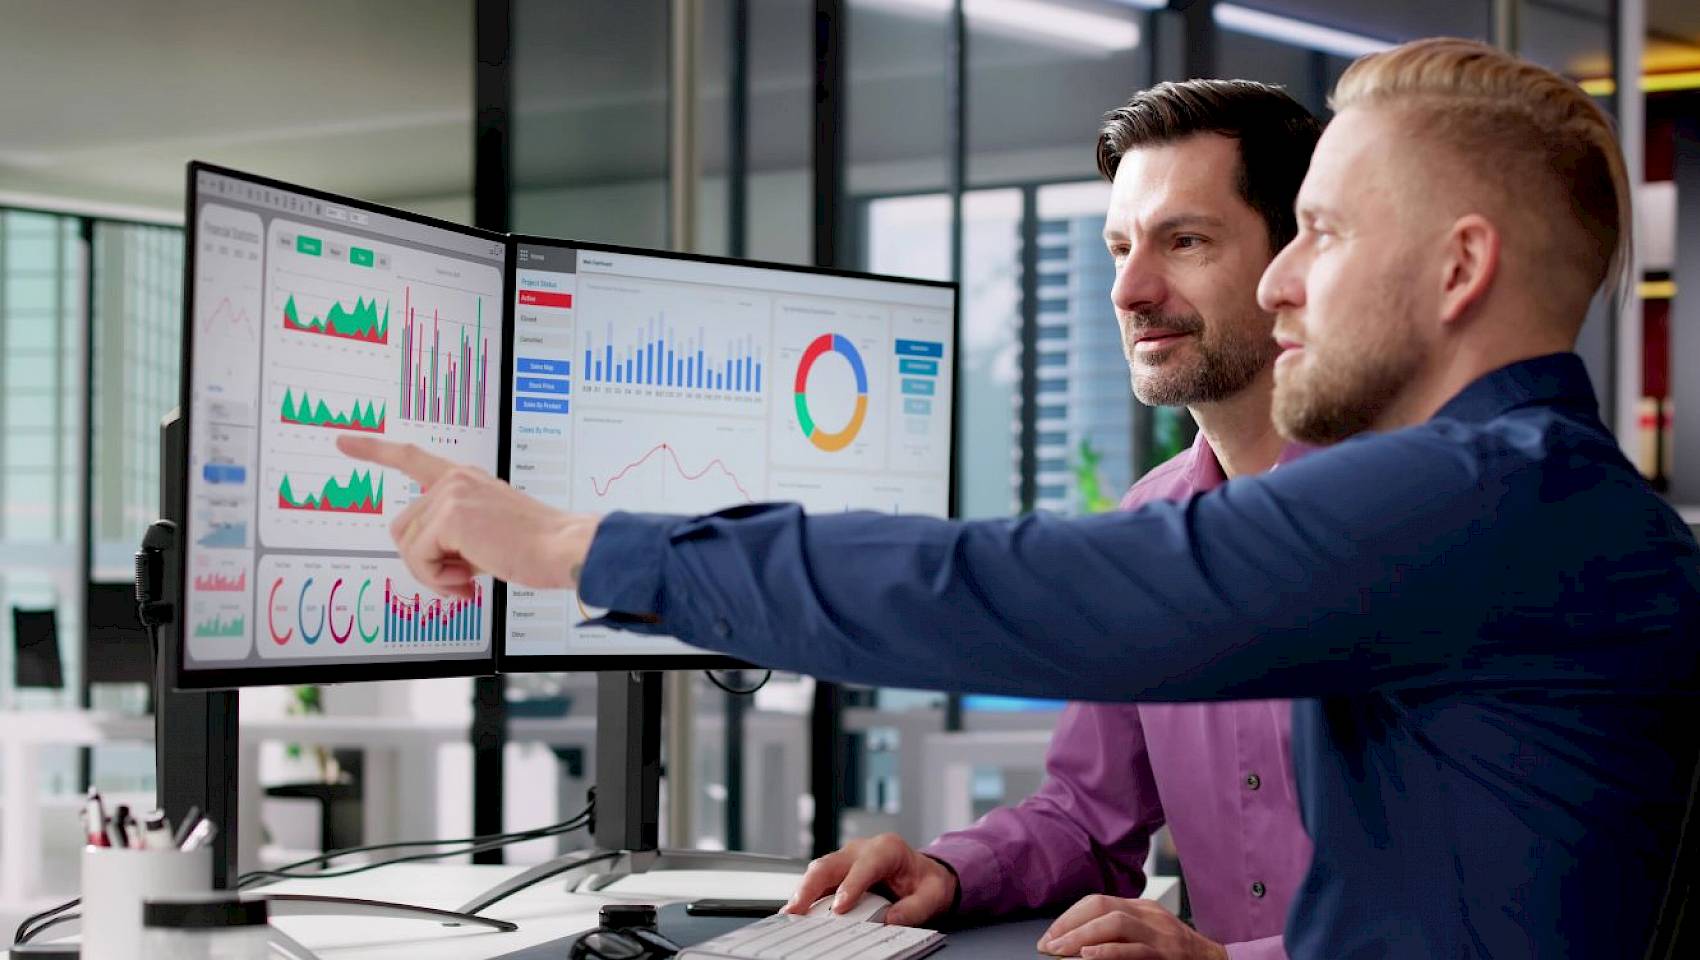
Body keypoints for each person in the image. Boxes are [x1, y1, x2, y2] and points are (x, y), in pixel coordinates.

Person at [344, 39, 1700, 958]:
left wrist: (577, 544)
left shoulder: (1475, 505)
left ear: (1461, 269)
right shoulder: (1524, 503)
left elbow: (1010, 590)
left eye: (1323, 238)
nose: (1288, 285)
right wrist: (961, 870)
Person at [782, 80, 1321, 960]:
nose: (1131, 289)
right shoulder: (1149, 526)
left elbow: (1476, 899)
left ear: (1296, 262)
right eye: (1119, 248)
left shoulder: (1415, 522)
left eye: (1184, 241)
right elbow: (1086, 818)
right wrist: (944, 872)